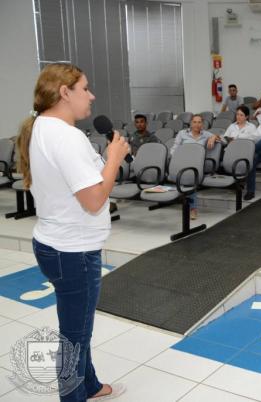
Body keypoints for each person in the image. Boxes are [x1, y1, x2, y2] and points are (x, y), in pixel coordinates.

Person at [16, 63, 129, 401]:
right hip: (72, 251)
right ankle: (73, 395)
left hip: (56, 244)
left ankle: (89, 385)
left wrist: (107, 161)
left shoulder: (43, 126)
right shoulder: (66, 136)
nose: (91, 96)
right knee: (74, 336)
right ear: (65, 93)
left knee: (78, 328)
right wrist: (114, 158)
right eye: (85, 88)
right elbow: (94, 200)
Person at [170, 114, 220, 220]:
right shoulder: (182, 133)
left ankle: (192, 209)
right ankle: (189, 205)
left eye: (199, 122)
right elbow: (174, 148)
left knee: (190, 178)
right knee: (186, 176)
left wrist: (213, 137)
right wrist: (175, 159)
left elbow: (223, 140)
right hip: (183, 161)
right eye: (194, 122)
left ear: (202, 124)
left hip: (198, 164)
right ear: (190, 123)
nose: (197, 124)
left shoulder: (206, 134)